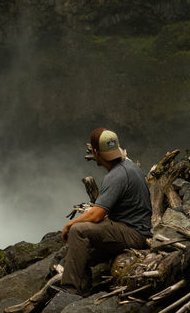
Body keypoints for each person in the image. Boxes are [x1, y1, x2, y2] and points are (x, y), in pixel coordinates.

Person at [60, 127, 152, 296]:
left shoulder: (116, 176)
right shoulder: (129, 166)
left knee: (78, 230)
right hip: (135, 229)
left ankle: (69, 292)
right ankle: (83, 292)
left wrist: (70, 224)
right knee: (78, 253)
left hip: (134, 234)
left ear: (95, 152)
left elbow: (97, 214)